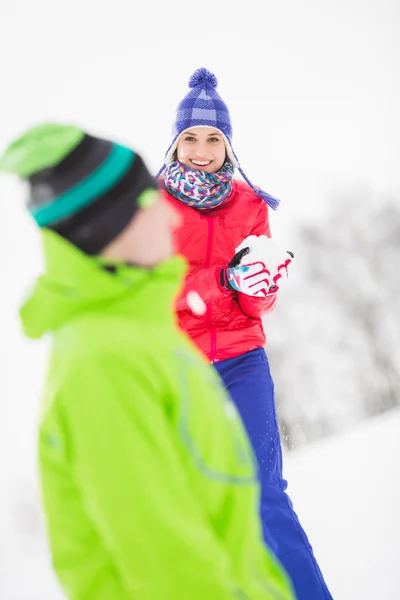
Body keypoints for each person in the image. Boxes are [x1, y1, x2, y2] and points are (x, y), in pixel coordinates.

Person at [0, 123, 294, 600]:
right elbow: (168, 568)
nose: (174, 219)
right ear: (109, 226)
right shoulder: (105, 364)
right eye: (150, 203)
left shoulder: (140, 334)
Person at [159, 68, 333, 600]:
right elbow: (157, 293)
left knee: (265, 494)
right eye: (191, 137)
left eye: (214, 138)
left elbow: (257, 304)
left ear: (228, 145)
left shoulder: (250, 205)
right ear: (174, 142)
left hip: (242, 361)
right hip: (178, 366)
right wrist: (222, 279)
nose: (202, 149)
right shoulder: (151, 207)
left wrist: (261, 283)